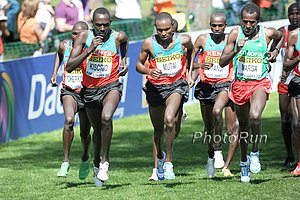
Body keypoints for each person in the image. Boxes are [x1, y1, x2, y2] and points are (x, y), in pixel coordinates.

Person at [219, 3, 283, 182]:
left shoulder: (267, 33)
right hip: (240, 85)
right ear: (241, 20)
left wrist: (275, 50)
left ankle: (255, 152)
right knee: (243, 127)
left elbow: (281, 36)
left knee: (255, 115)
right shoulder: (234, 34)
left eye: (251, 22)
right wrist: (236, 50)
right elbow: (221, 62)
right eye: (245, 21)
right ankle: (244, 161)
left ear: (258, 21)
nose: (248, 26)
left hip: (260, 83)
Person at [66, 7, 128, 186]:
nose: (102, 28)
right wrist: (89, 50)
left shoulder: (117, 36)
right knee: (97, 131)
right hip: (90, 90)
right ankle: (95, 164)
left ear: (111, 23)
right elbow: (69, 66)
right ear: (93, 23)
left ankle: (104, 162)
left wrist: (124, 60)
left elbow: (125, 42)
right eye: (99, 25)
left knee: (106, 117)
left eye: (106, 25)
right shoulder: (84, 37)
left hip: (111, 86)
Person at [136, 12, 193, 180]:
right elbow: (138, 65)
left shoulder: (183, 40)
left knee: (169, 119)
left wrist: (188, 73)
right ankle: (159, 159)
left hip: (176, 85)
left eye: (166, 29)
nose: (163, 33)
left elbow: (191, 51)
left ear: (172, 27)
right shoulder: (149, 43)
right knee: (158, 130)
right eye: (159, 30)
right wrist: (148, 71)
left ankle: (168, 162)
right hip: (155, 89)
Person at [187, 11, 239, 178]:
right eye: (213, 25)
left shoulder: (230, 40)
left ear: (225, 26)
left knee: (218, 112)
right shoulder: (202, 39)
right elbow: (191, 61)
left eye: (220, 26)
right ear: (210, 25)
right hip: (206, 86)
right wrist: (194, 71)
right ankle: (210, 155)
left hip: (225, 84)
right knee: (209, 126)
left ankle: (218, 151)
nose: (217, 28)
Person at [50, 21, 92, 179]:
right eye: (74, 33)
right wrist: (54, 72)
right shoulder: (65, 46)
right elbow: (58, 54)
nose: (77, 36)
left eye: (80, 33)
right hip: (69, 91)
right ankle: (65, 161)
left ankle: (85, 157)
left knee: (85, 133)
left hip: (87, 92)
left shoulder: (91, 49)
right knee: (68, 120)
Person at [277, 3, 300, 169]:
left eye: (298, 14)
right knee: (286, 119)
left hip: (297, 78)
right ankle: (289, 154)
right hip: (286, 79)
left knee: (297, 121)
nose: (294, 17)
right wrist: (271, 53)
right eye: (291, 14)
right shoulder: (283, 32)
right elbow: (273, 47)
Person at [283, 7, 300, 176]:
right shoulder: (294, 36)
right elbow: (287, 64)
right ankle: (298, 161)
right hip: (297, 81)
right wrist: (298, 57)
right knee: (296, 124)